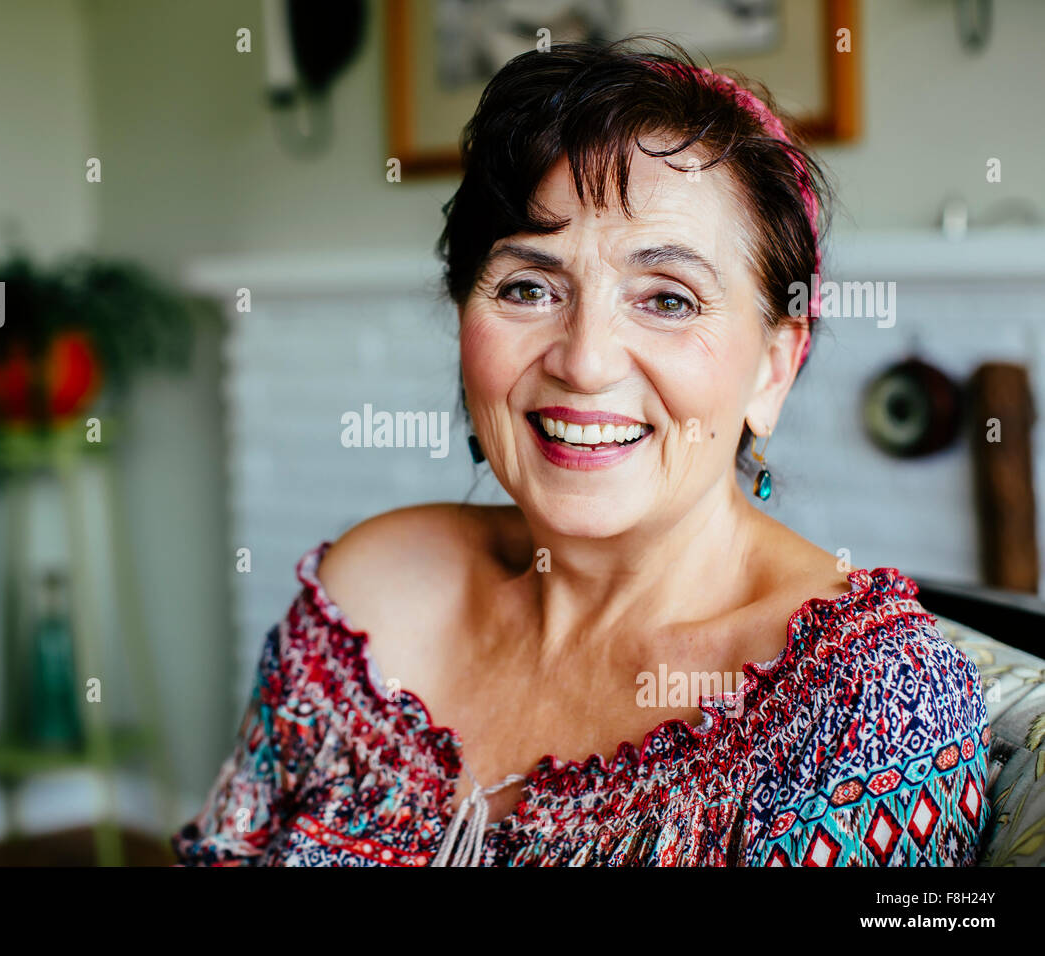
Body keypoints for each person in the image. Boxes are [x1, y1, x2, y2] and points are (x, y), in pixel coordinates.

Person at [174, 38, 990, 867]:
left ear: (773, 368)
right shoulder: (364, 601)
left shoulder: (868, 705)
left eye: (668, 299)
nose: (585, 359)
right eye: (528, 287)